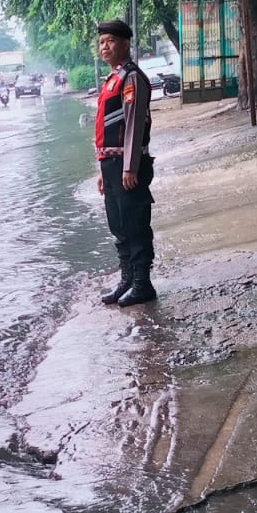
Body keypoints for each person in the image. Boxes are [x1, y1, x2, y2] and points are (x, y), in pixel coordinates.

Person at [94, 19, 156, 307]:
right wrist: (102, 169)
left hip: (129, 164)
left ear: (125, 43)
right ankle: (127, 280)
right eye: (101, 42)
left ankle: (143, 283)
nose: (104, 47)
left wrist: (130, 166)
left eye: (110, 41)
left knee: (135, 223)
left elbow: (133, 125)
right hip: (111, 163)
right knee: (118, 225)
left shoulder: (132, 78)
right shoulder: (111, 80)